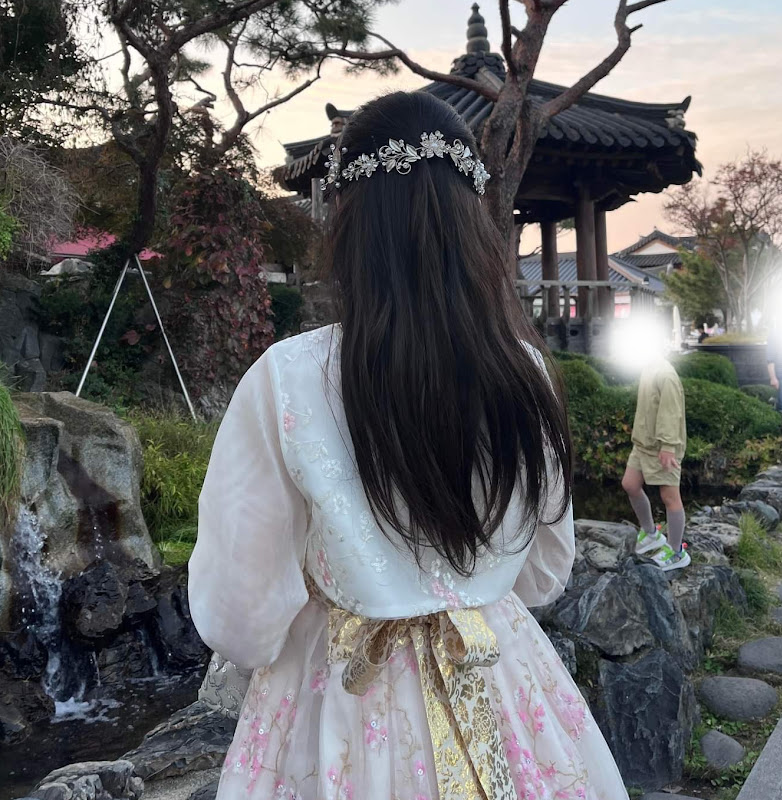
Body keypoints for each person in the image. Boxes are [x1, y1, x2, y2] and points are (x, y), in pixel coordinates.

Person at [189, 91, 628, 800]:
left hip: (339, 697)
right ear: (472, 220)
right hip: (499, 678)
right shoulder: (527, 372)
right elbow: (544, 574)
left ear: (348, 220)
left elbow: (240, 617)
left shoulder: (286, 379)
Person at [621, 346, 691, 571]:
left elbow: (672, 413)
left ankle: (676, 551)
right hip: (643, 443)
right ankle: (651, 533)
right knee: (630, 484)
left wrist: (668, 446)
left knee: (670, 497)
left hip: (663, 446)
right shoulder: (648, 369)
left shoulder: (666, 375)